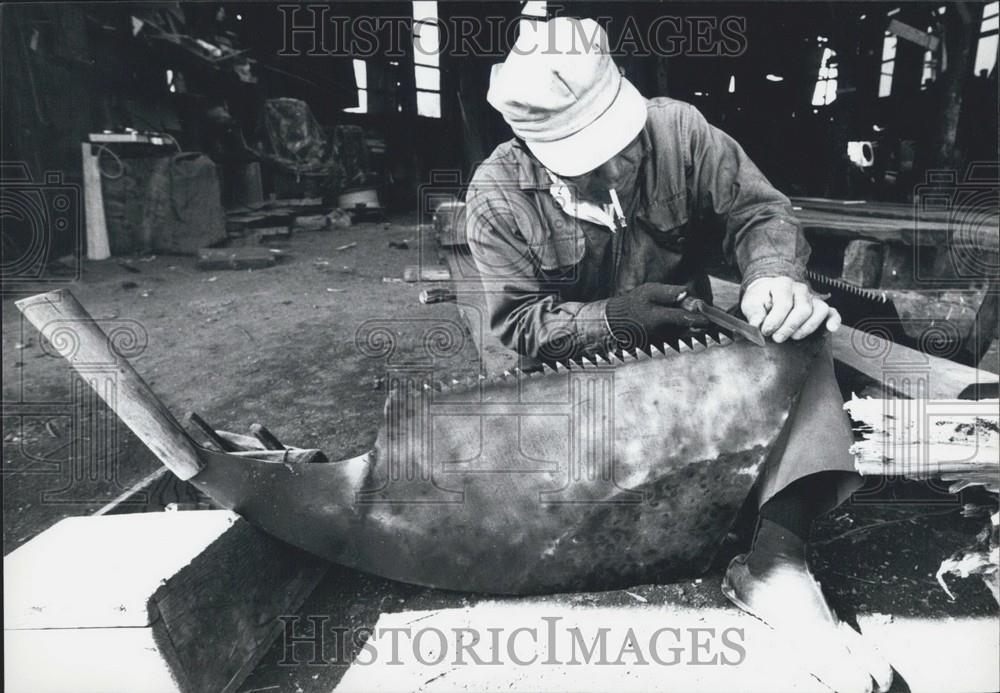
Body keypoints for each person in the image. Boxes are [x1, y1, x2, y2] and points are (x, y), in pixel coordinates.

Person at [466, 18, 892, 693]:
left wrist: (774, 275)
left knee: (800, 335)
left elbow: (760, 213)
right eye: (585, 160)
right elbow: (518, 327)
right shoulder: (496, 198)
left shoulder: (681, 133)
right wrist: (614, 318)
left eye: (620, 147)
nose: (613, 170)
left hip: (686, 372)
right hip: (569, 401)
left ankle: (776, 565)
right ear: (533, 146)